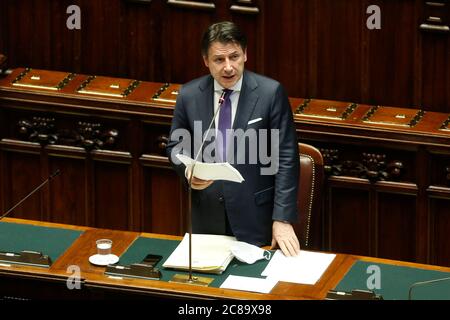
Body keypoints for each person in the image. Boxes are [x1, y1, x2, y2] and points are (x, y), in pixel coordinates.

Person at [167, 21, 300, 256]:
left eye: (234, 57)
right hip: (206, 219)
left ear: (245, 55)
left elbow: (286, 157)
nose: (228, 67)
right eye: (219, 60)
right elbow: (176, 145)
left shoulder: (270, 93)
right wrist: (188, 171)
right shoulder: (189, 95)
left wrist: (282, 218)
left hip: (256, 218)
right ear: (206, 61)